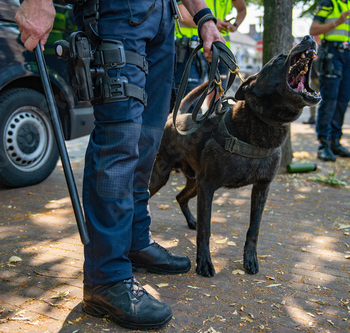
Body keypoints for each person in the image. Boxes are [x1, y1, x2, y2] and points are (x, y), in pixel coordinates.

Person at [15, 0, 224, 330]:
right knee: (120, 140)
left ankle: (134, 241)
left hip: (162, 18)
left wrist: (204, 18)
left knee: (147, 139)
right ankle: (106, 277)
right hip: (116, 13)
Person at [309, 0, 350, 162]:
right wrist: (338, 21)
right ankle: (324, 144)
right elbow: (313, 29)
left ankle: (335, 141)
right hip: (332, 53)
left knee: (343, 99)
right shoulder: (329, 3)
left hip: (349, 55)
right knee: (330, 99)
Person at [174, 0, 246, 110]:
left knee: (217, 99)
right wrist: (210, 22)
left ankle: (213, 123)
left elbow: (242, 9)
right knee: (190, 100)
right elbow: (181, 13)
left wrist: (235, 25)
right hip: (190, 47)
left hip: (220, 48)